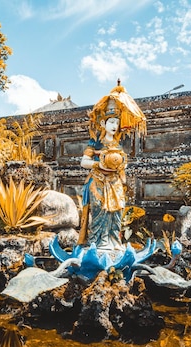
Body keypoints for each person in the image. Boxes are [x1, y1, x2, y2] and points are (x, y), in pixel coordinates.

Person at [78, 81, 146, 251]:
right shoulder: (95, 141)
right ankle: (98, 242)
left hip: (115, 182)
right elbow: (83, 162)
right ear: (103, 124)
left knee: (117, 212)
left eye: (116, 122)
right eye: (111, 122)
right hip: (98, 182)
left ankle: (114, 240)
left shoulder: (119, 143)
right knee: (100, 212)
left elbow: (122, 164)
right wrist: (98, 163)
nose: (114, 126)